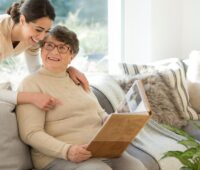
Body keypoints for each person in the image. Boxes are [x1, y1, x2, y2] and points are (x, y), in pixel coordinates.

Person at [16, 25, 147, 170]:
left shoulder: (78, 79)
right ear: (41, 50)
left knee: (136, 167)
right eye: (49, 45)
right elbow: (30, 133)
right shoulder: (31, 84)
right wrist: (67, 151)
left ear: (72, 56)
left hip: (100, 150)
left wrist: (108, 121)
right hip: (58, 157)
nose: (54, 51)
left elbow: (99, 112)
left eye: (62, 48)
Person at [0, 0, 89, 111]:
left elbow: (35, 70)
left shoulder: (31, 39)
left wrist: (66, 70)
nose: (42, 37)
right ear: (22, 20)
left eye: (47, 31)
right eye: (38, 30)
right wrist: (32, 98)